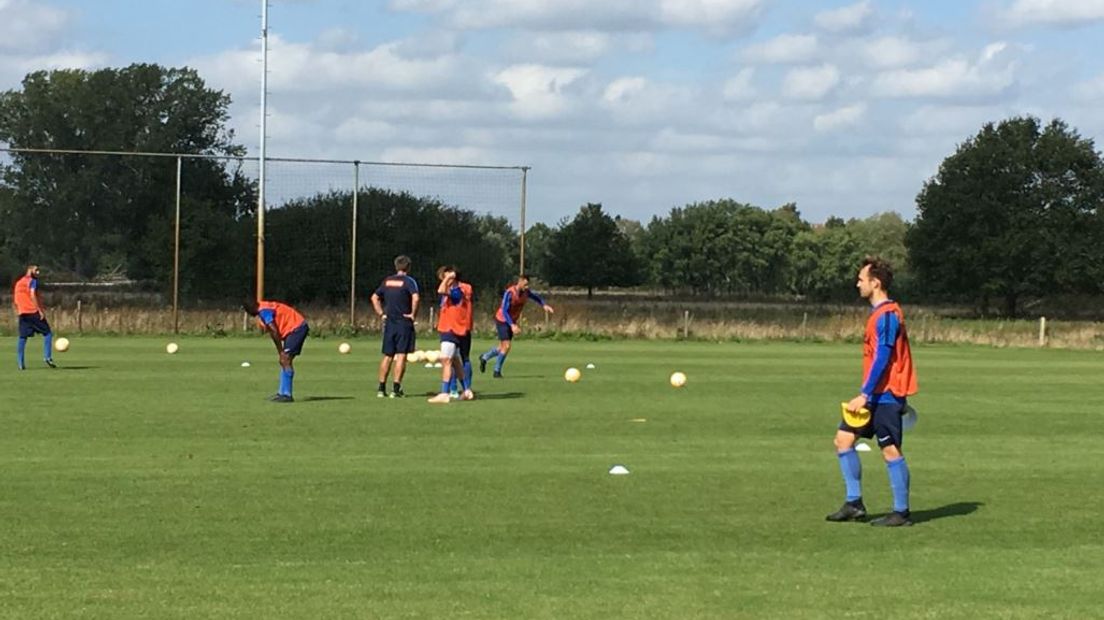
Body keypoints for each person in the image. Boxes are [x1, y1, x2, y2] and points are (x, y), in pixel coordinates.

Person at [827, 257, 919, 527]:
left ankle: (901, 513)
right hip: (873, 395)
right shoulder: (878, 314)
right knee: (843, 440)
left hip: (887, 395)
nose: (857, 283)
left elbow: (883, 356)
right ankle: (854, 503)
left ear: (875, 282)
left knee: (890, 450)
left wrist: (865, 393)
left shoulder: (888, 315)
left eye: (861, 279)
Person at [478, 274, 553, 378]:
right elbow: (504, 310)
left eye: (528, 285)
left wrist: (544, 305)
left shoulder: (526, 292)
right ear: (520, 281)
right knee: (507, 346)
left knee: (502, 347)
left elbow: (536, 297)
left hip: (511, 321)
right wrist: (512, 325)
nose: (527, 287)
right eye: (525, 284)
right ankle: (497, 371)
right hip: (502, 320)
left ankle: (485, 357)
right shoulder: (510, 292)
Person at [370, 255, 420, 398]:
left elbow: (374, 297)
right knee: (402, 355)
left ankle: (381, 388)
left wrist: (381, 313)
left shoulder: (387, 281)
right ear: (408, 267)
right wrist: (412, 314)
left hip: (390, 322)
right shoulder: (409, 281)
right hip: (404, 322)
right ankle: (396, 389)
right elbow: (416, 297)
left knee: (388, 355)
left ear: (396, 266)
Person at [243, 298, 309, 403]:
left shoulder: (264, 312)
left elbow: (274, 331)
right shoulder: (263, 306)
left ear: (251, 309)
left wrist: (280, 351)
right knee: (284, 360)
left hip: (297, 328)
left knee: (285, 359)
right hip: (293, 329)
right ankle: (281, 393)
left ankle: (287, 395)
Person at [428, 266, 474, 404]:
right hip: (460, 329)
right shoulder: (464, 288)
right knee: (456, 361)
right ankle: (466, 390)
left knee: (446, 360)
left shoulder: (456, 290)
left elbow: (441, 290)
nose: (442, 279)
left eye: (444, 276)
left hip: (451, 329)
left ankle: (444, 393)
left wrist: (448, 278)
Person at [12, 265, 56, 370]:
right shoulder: (32, 281)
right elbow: (32, 295)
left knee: (23, 337)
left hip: (23, 313)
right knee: (48, 333)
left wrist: (19, 309)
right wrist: (39, 311)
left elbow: (16, 299)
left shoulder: (18, 283)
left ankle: (20, 363)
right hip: (33, 311)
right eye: (36, 270)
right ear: (30, 270)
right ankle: (47, 357)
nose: (38, 272)